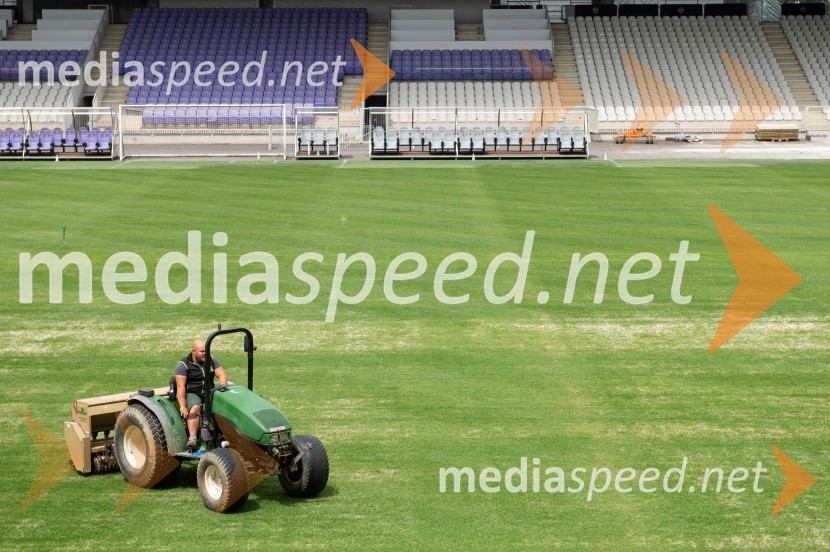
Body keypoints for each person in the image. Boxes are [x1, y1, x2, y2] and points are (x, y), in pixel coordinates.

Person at [175, 340, 228, 450]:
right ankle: (193, 438)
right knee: (195, 408)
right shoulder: (183, 364)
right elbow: (180, 387)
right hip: (194, 392)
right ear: (193, 352)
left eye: (206, 351)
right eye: (202, 351)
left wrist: (222, 386)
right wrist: (183, 406)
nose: (205, 353)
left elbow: (221, 374)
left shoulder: (212, 360)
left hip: (210, 391)